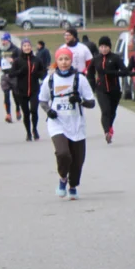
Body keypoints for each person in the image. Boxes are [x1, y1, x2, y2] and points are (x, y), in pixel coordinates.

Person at [38, 46, 95, 199]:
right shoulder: (50, 79)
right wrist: (48, 110)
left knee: (77, 160)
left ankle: (73, 185)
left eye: (67, 59)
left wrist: (80, 100)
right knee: (63, 154)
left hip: (77, 124)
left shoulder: (79, 79)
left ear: (71, 61)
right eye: (61, 59)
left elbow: (92, 102)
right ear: (56, 61)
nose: (64, 62)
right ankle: (63, 177)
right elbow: (42, 100)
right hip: (57, 123)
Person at [7, 38, 45, 141]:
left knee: (34, 110)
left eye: (28, 45)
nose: (27, 47)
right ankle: (28, 132)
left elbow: (43, 72)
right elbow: (11, 74)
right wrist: (20, 71)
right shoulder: (18, 61)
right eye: (24, 46)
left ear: (31, 47)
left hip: (34, 90)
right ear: (22, 48)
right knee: (26, 113)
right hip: (21, 91)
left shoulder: (37, 60)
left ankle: (35, 129)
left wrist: (38, 74)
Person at [93, 36, 125, 143]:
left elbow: (124, 71)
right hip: (101, 89)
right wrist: (93, 84)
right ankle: (107, 132)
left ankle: (110, 126)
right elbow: (89, 73)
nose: (104, 49)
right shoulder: (96, 59)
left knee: (112, 112)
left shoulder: (115, 58)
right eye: (101, 47)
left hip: (114, 89)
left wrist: (111, 73)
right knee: (105, 111)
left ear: (109, 47)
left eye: (106, 46)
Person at [0, 32, 17, 123]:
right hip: (4, 75)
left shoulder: (15, 49)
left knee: (15, 95)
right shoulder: (1, 49)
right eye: (2, 40)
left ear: (9, 40)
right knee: (6, 95)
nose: (3, 42)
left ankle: (17, 108)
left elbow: (20, 61)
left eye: (5, 40)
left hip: (13, 75)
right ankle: (8, 114)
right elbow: (0, 60)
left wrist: (13, 61)